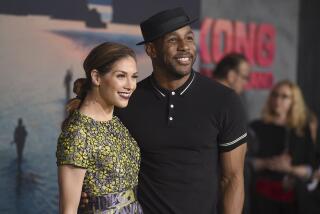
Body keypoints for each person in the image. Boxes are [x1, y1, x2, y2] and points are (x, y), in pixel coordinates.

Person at [80, 8, 247, 214]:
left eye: (189, 38)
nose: (185, 47)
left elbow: (232, 178)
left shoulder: (224, 101)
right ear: (151, 50)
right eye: (172, 40)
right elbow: (99, 164)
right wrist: (87, 191)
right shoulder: (127, 100)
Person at [56, 42, 143, 214]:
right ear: (96, 77)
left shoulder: (116, 123)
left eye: (134, 77)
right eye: (121, 76)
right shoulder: (78, 133)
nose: (130, 85)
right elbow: (68, 210)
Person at [248, 80, 317, 214]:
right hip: (261, 198)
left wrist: (290, 169)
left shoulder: (303, 130)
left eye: (284, 96)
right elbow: (245, 163)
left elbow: (311, 169)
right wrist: (267, 163)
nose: (278, 100)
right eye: (275, 95)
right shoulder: (256, 127)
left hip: (295, 200)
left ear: (294, 101)